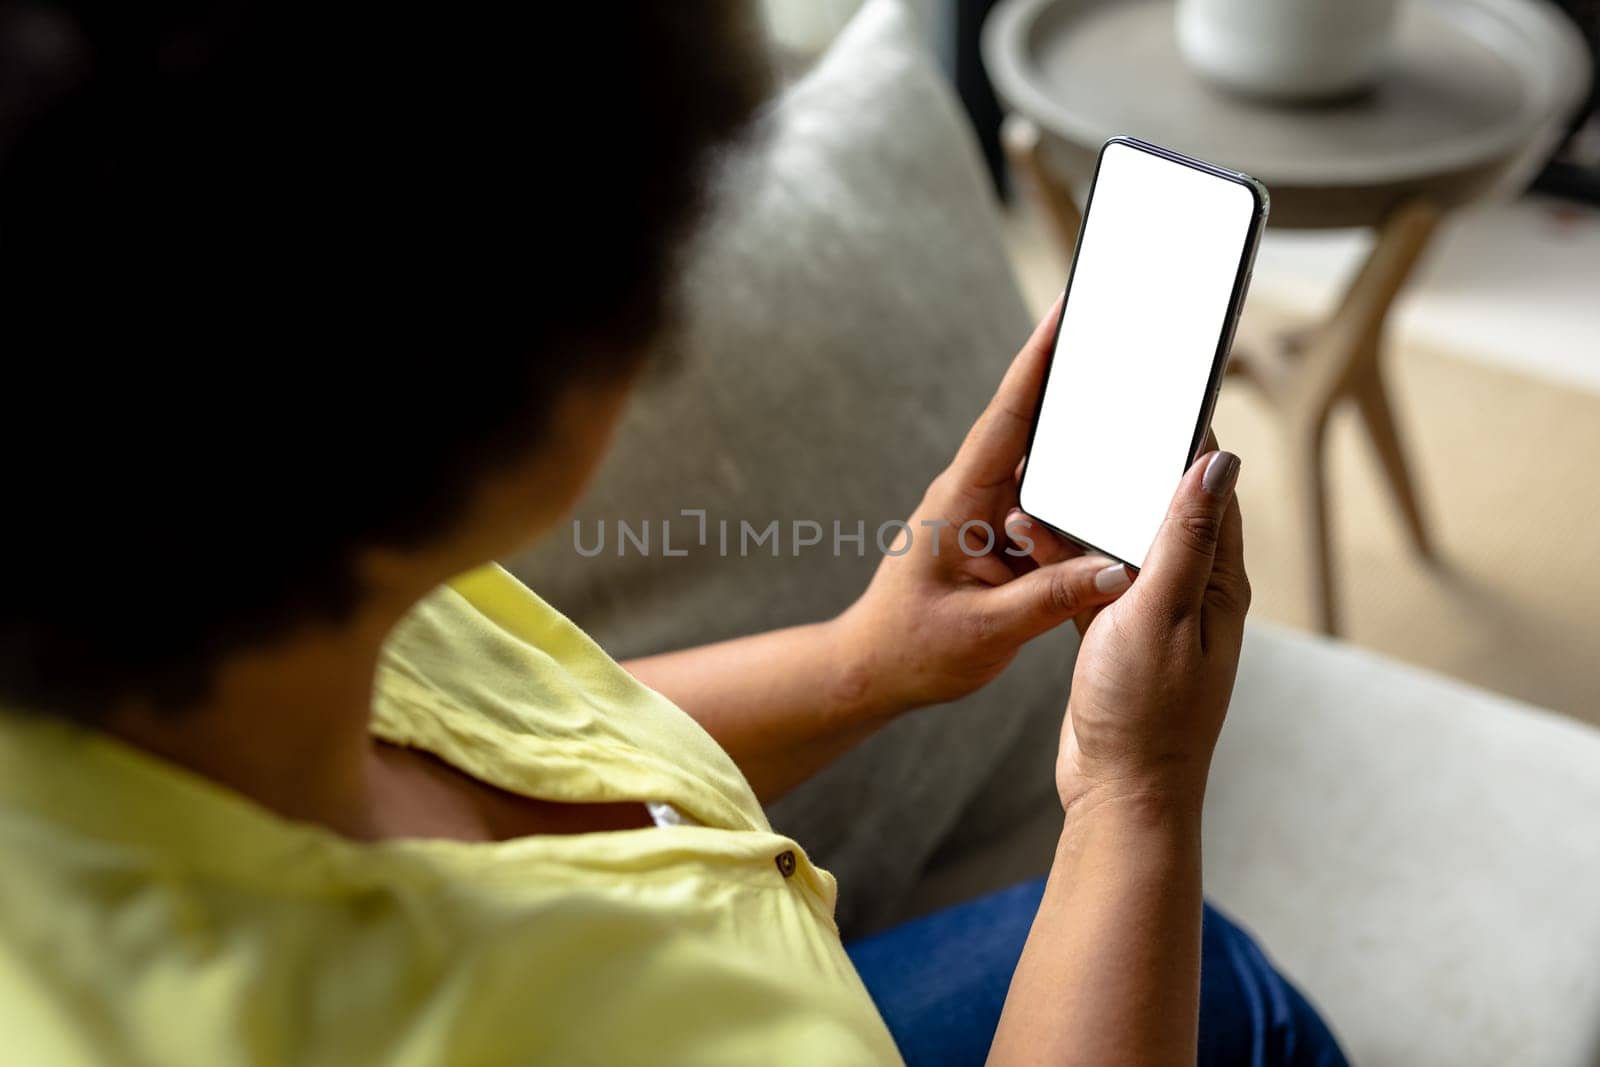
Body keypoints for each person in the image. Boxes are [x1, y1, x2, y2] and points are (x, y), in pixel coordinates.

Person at [0, 3, 1347, 1064]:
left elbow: (516, 750)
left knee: (1223, 981)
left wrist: (863, 661)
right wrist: (1137, 798)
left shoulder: (245, 575)